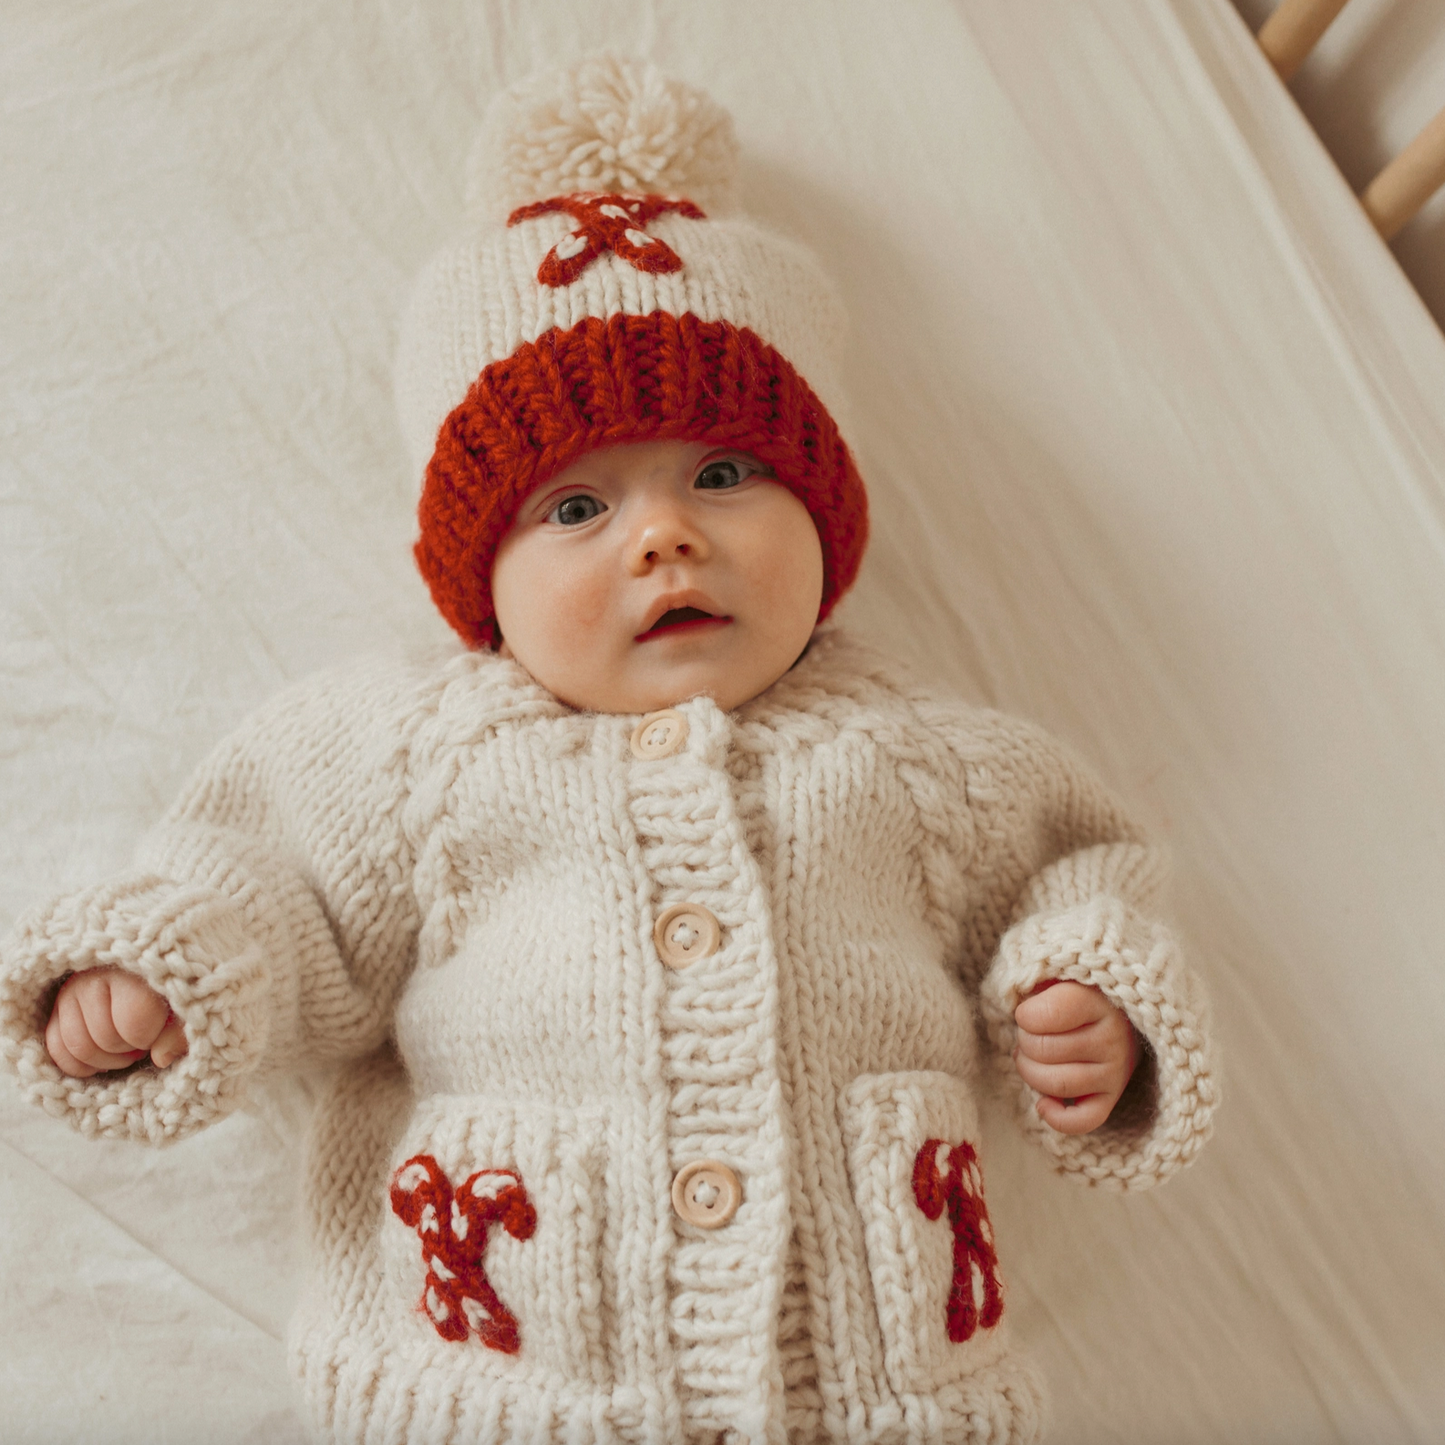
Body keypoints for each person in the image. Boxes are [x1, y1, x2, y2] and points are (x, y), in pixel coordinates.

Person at [0, 55, 1216, 1445]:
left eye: (722, 474)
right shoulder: (421, 753)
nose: (664, 536)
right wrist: (163, 975)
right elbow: (277, 892)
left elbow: (1082, 866)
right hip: (500, 1388)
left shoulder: (924, 758)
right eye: (575, 506)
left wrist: (1094, 1002)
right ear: (480, 578)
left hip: (881, 1391)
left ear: (823, 516)